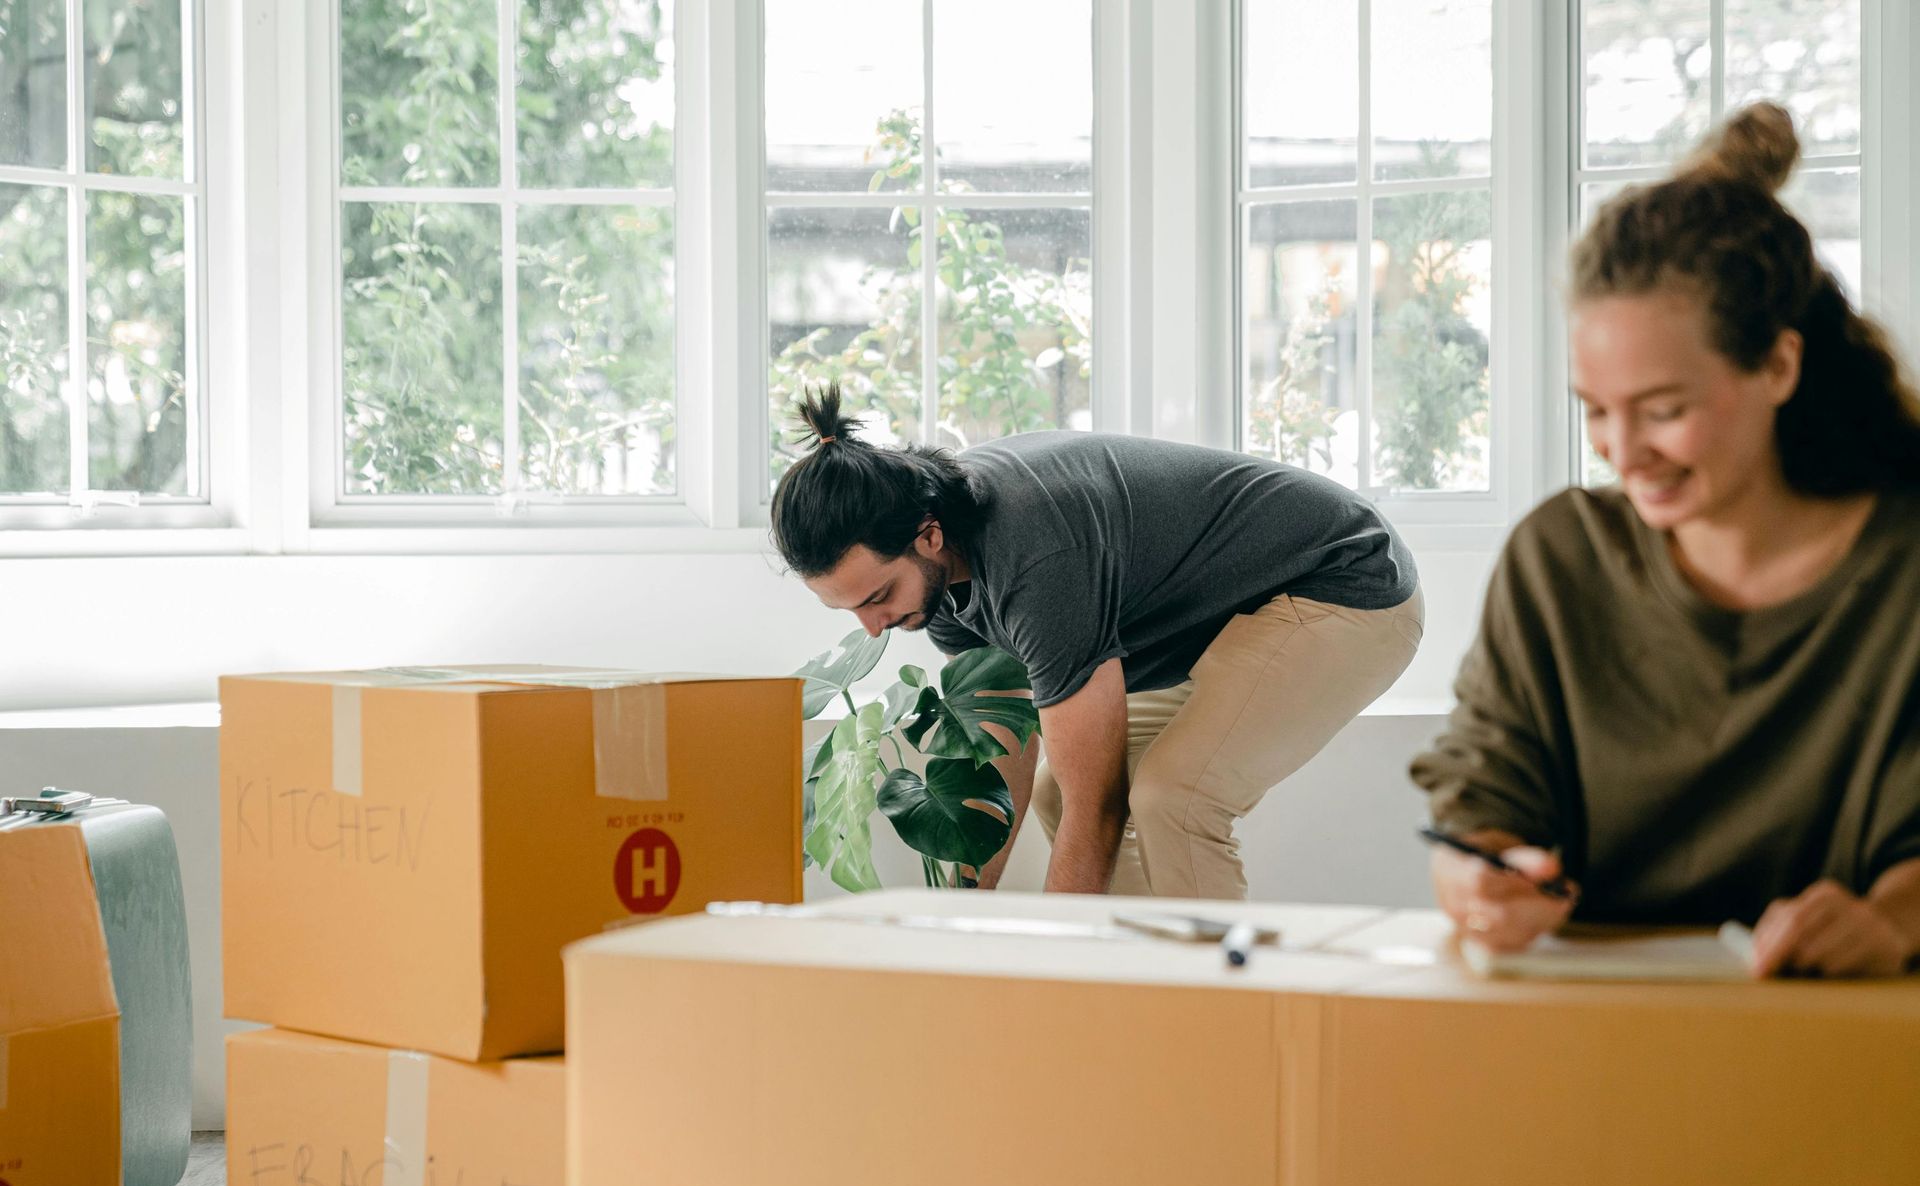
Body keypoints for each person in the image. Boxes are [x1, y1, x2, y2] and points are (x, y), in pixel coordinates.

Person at [1410, 103, 1920, 977]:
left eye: (1665, 410)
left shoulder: (1902, 571)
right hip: (1597, 1043)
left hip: (1856, 1040)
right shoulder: (1560, 558)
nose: (1624, 451)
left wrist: (1890, 921)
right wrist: (1478, 877)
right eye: (1597, 411)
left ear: (1779, 366)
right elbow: (1483, 798)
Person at [772, 385, 1423, 898]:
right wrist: (964, 912)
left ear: (929, 535)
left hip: (1344, 583)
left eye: (878, 597)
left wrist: (1055, 979)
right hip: (1233, 622)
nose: (873, 626)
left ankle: (1213, 1033)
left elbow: (1100, 806)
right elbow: (1005, 744)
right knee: (1062, 792)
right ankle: (1137, 989)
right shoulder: (940, 587)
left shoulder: (1038, 559)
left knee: (1176, 797)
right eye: (850, 609)